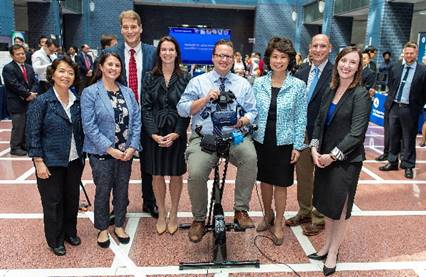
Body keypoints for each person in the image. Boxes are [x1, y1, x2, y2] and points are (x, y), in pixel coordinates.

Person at [177, 40, 258, 243]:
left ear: (233, 59)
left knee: (250, 158)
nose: (224, 59)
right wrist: (205, 99)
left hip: (234, 135)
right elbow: (182, 108)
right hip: (205, 136)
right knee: (195, 172)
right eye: (220, 55)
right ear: (213, 57)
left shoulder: (242, 83)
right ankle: (199, 219)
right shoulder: (198, 82)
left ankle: (241, 210)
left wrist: (243, 120)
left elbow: (253, 111)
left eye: (228, 56)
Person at [307, 46, 371, 276]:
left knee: (340, 207)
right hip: (323, 156)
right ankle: (325, 245)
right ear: (338, 63)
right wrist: (314, 149)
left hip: (346, 161)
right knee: (326, 204)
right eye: (344, 61)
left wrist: (333, 155)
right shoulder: (329, 88)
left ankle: (334, 252)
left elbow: (357, 133)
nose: (347, 66)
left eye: (352, 63)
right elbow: (317, 122)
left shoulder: (361, 94)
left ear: (358, 68)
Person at [81, 52, 141, 248]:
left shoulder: (128, 92)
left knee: (122, 190)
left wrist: (132, 146)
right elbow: (89, 126)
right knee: (103, 191)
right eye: (110, 64)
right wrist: (109, 149)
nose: (113, 68)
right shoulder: (91, 92)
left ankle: (119, 224)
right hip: (102, 154)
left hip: (125, 153)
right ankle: (102, 229)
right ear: (101, 67)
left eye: (117, 65)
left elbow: (137, 121)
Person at [26, 56, 84, 256]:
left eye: (70, 72)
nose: (66, 75)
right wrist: (38, 162)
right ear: (52, 74)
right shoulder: (42, 101)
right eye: (62, 71)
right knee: (53, 202)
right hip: (50, 162)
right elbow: (32, 134)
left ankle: (70, 232)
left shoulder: (77, 101)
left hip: (74, 160)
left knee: (71, 199)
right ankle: (55, 239)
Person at [252, 37, 306, 245]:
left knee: (281, 184)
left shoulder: (298, 86)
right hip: (262, 140)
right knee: (265, 181)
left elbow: (301, 117)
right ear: (269, 59)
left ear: (289, 60)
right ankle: (268, 214)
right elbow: (252, 111)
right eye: (275, 56)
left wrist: (298, 146)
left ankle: (279, 222)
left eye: (283, 57)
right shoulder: (258, 83)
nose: (279, 61)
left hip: (285, 142)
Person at [108, 10, 158, 218]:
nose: (130, 31)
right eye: (126, 27)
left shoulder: (153, 52)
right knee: (120, 165)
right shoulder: (112, 52)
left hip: (147, 115)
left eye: (133, 27)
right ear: (121, 29)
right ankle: (119, 205)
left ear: (140, 28)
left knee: (149, 163)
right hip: (120, 118)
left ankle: (150, 202)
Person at [141, 36, 191, 235]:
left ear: (177, 53)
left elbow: (187, 108)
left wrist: (178, 133)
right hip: (154, 134)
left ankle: (174, 213)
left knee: (176, 175)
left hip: (176, 134)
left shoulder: (186, 78)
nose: (167, 53)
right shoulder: (149, 76)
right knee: (157, 175)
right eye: (164, 50)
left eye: (171, 49)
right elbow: (145, 108)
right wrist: (152, 133)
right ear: (159, 53)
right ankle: (161, 213)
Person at [285, 34, 333, 236]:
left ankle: (319, 216)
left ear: (330, 48)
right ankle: (304, 211)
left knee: (322, 176)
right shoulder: (301, 73)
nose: (319, 49)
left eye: (323, 46)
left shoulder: (336, 74)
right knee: (303, 175)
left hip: (325, 133)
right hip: (302, 133)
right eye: (315, 46)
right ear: (309, 48)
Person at [379, 42, 426, 179]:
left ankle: (408, 165)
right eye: (406, 53)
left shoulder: (423, 71)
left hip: (410, 109)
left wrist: (417, 106)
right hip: (394, 107)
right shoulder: (395, 67)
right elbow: (391, 85)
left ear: (416, 54)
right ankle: (392, 162)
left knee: (408, 139)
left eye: (411, 53)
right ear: (403, 53)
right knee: (393, 136)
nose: (409, 55)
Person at [2, 44, 38, 156]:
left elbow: (34, 82)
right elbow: (13, 84)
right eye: (18, 54)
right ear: (12, 56)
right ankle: (15, 147)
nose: (21, 56)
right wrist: (27, 94)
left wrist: (32, 93)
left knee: (27, 125)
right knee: (18, 126)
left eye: (23, 53)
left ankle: (24, 145)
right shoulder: (8, 68)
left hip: (29, 101)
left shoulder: (29, 67)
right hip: (16, 102)